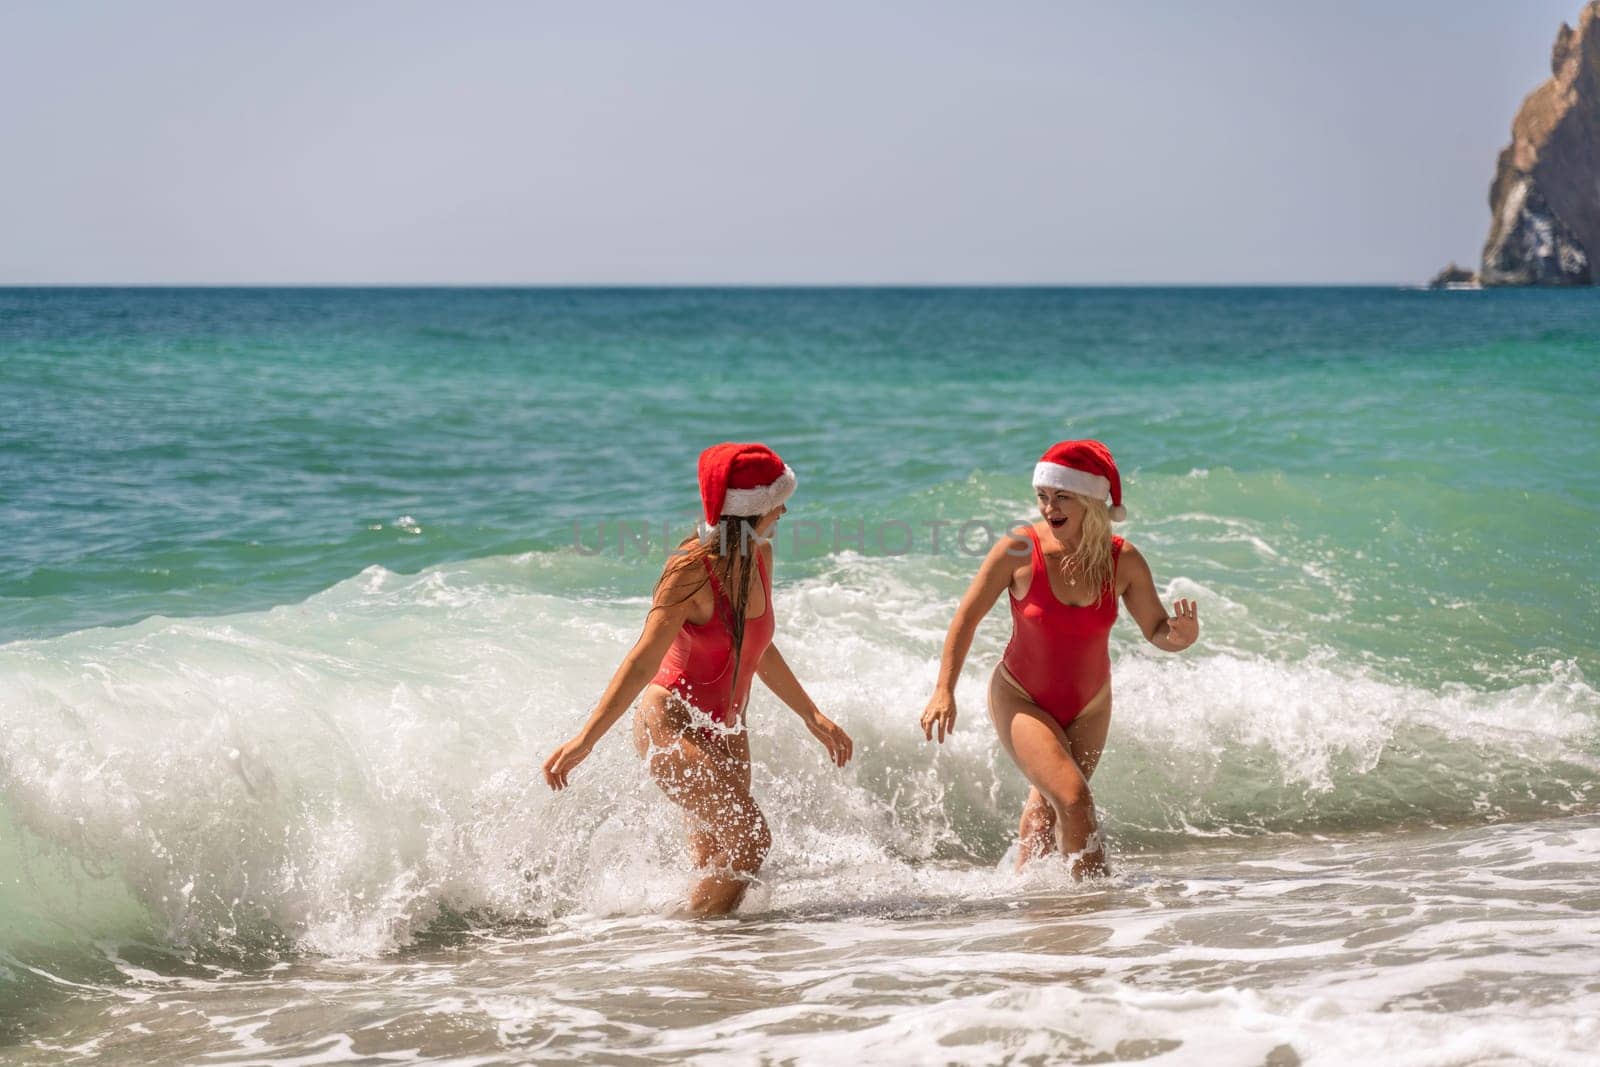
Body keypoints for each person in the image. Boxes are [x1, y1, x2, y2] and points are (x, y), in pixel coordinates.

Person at [543, 442, 853, 915]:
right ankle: (688, 939)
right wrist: (585, 740)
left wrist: (813, 716)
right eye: (776, 501)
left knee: (716, 859)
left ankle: (699, 967)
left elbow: (756, 648)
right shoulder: (691, 571)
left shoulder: (760, 557)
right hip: (671, 723)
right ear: (745, 513)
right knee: (750, 839)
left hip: (729, 730)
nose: (785, 509)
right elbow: (642, 661)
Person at [919, 440, 1198, 876]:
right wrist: (943, 690)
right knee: (1074, 799)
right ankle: (1095, 907)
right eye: (1043, 497)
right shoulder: (1018, 549)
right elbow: (966, 619)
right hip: (1020, 697)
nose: (1050, 507)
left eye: (1062, 496)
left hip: (1090, 705)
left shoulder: (1122, 560)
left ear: (1090, 500)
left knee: (1049, 810)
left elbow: (1157, 630)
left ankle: (1037, 911)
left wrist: (1180, 637)